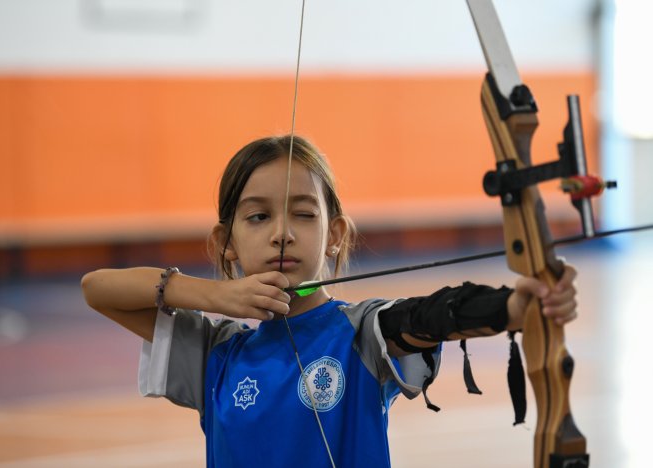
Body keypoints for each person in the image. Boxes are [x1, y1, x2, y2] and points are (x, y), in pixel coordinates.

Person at [81, 134, 578, 467]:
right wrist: (215, 295)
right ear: (224, 242)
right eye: (257, 218)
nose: (281, 234)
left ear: (335, 235)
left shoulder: (361, 333)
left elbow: (430, 316)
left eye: (303, 214)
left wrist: (516, 307)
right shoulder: (217, 352)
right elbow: (98, 288)